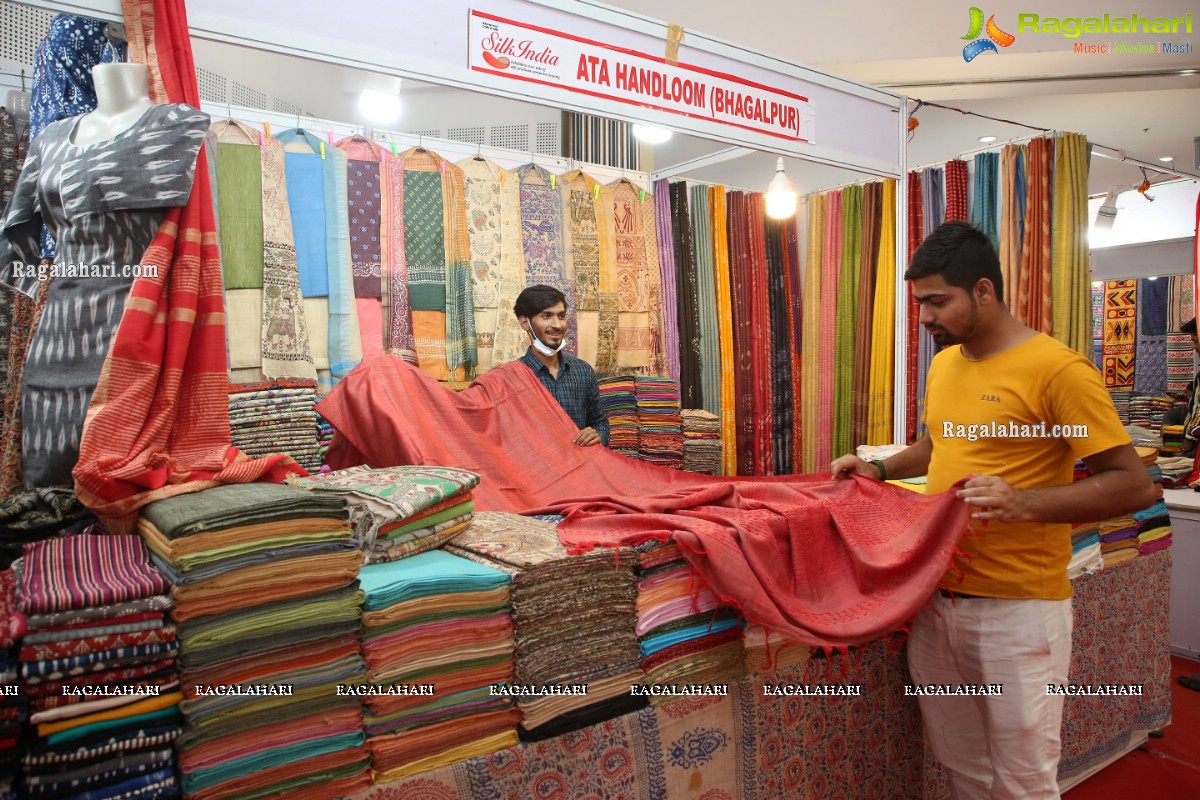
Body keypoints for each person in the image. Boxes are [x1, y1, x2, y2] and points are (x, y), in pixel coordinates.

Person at [831, 221, 1156, 799]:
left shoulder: (1058, 371)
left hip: (1019, 614)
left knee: (1023, 776)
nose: (925, 318)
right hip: (938, 602)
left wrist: (1022, 502)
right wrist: (878, 468)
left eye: (937, 302)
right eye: (920, 303)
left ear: (984, 291)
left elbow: (1133, 485)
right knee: (960, 764)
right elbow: (937, 448)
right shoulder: (947, 365)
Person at [513, 284, 609, 447]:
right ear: (525, 322)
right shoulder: (513, 377)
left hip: (580, 465)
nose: (557, 325)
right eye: (546, 316)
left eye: (562, 316)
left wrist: (597, 435)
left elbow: (601, 423)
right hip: (536, 469)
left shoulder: (583, 371)